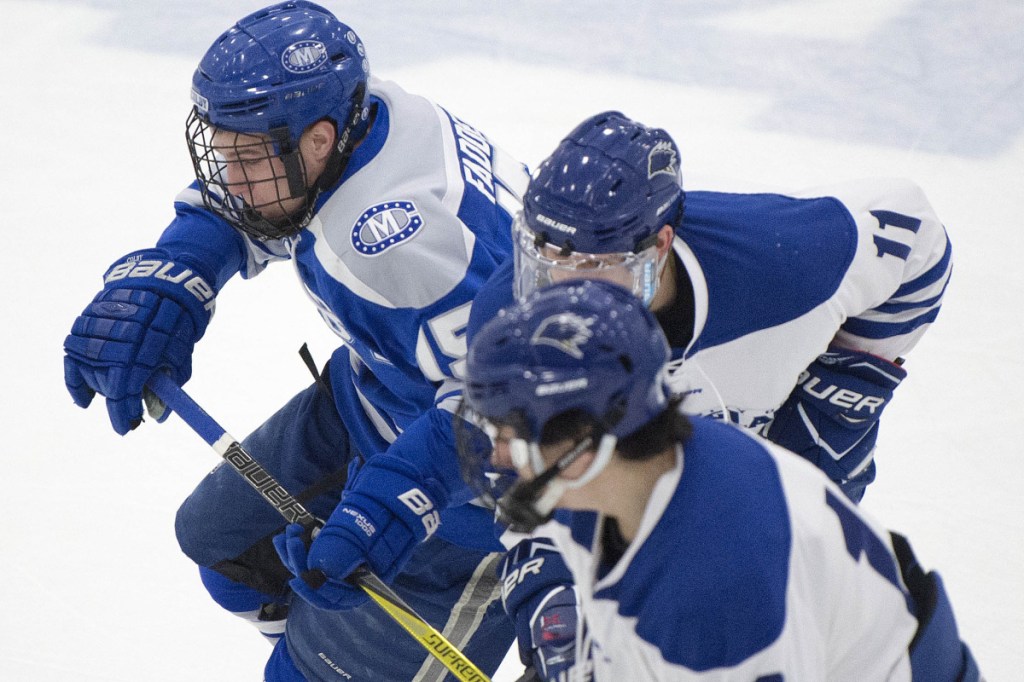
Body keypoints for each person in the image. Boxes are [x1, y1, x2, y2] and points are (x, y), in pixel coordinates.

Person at [62, 2, 531, 679]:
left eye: (246, 156)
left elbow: (522, 406)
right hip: (380, 401)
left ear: (318, 140)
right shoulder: (375, 118)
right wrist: (177, 273)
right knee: (228, 547)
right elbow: (265, 204)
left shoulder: (391, 246)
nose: (228, 177)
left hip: (474, 499)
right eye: (222, 151)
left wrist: (390, 504)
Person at [464, 111, 953, 680]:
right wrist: (558, 612)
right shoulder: (516, 324)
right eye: (548, 259)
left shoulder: (787, 262)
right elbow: (542, 483)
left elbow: (913, 230)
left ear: (660, 247)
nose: (564, 289)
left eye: (593, 265)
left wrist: (840, 398)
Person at [459, 278, 981, 681]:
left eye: (513, 432)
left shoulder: (721, 582)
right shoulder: (619, 482)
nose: (501, 456)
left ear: (585, 440)